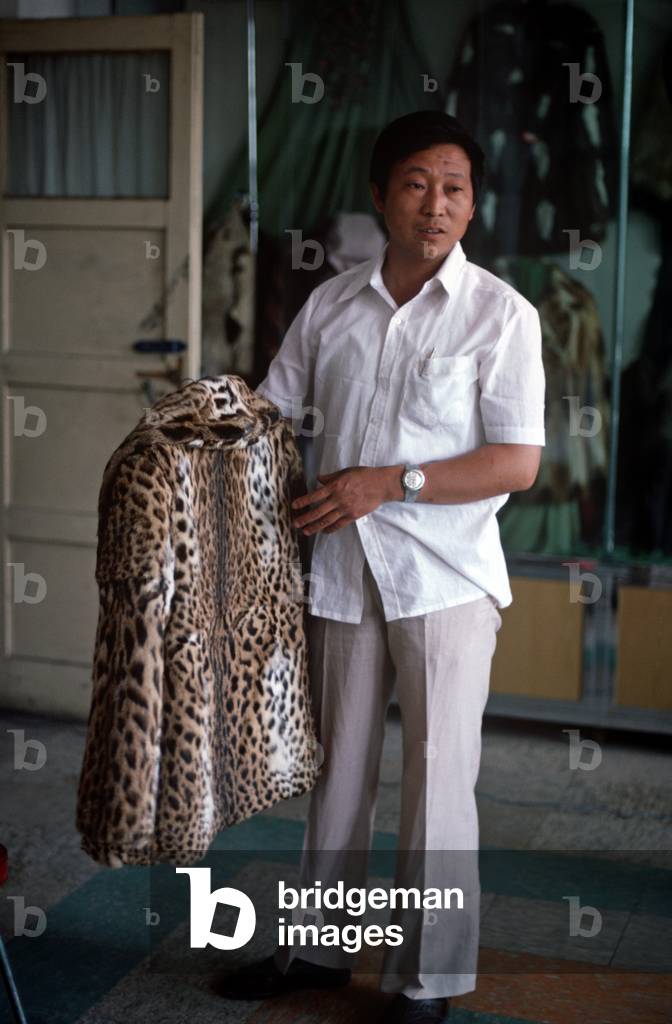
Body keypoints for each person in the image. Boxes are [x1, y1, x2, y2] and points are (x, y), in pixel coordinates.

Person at [216, 110, 546, 1024]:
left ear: (472, 205)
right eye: (415, 184)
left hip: (445, 578)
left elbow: (517, 462)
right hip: (340, 574)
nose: (435, 205)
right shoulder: (331, 305)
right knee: (338, 771)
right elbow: (271, 413)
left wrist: (385, 482)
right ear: (378, 195)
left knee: (438, 776)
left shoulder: (501, 317)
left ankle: (427, 981)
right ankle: (321, 949)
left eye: (454, 188)